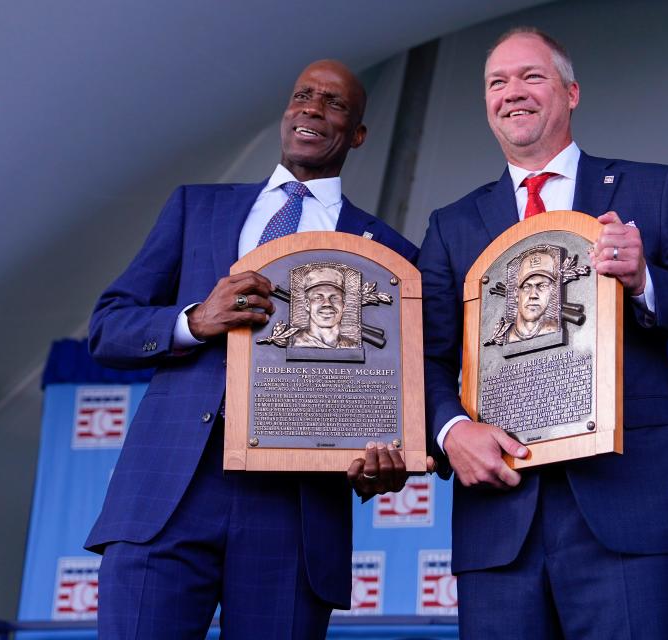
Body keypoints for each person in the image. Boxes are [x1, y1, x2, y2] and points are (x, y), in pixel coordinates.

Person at [418, 28, 668, 639]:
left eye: (531, 76)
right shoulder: (451, 225)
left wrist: (646, 278)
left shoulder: (651, 191)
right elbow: (425, 360)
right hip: (500, 517)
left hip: (628, 508)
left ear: (571, 92)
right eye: (497, 82)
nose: (512, 93)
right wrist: (451, 430)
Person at [86, 59, 420, 639]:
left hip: (294, 511)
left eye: (334, 103)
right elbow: (108, 326)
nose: (312, 109)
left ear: (358, 133)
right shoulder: (196, 207)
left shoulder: (390, 254)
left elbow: (395, 391)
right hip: (170, 493)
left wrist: (385, 459)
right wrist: (194, 320)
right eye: (303, 96)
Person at [289, 266, 359, 349]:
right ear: (307, 305)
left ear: (343, 305)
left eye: (334, 298)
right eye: (318, 298)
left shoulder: (353, 346)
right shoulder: (295, 342)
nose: (327, 303)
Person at [506, 248, 560, 342]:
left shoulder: (554, 329)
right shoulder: (506, 336)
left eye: (542, 286)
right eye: (527, 287)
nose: (533, 295)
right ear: (516, 293)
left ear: (551, 292)